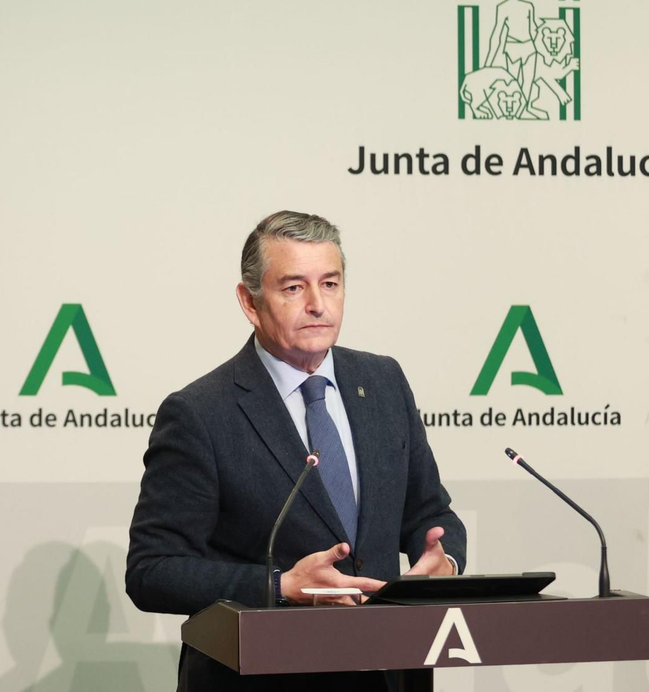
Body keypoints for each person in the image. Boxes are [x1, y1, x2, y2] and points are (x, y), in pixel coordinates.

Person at [126, 211, 465, 692]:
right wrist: (282, 586)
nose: (317, 305)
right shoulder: (200, 413)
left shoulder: (384, 382)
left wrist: (443, 561)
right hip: (264, 676)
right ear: (249, 301)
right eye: (293, 288)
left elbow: (430, 513)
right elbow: (152, 571)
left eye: (330, 283)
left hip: (391, 672)